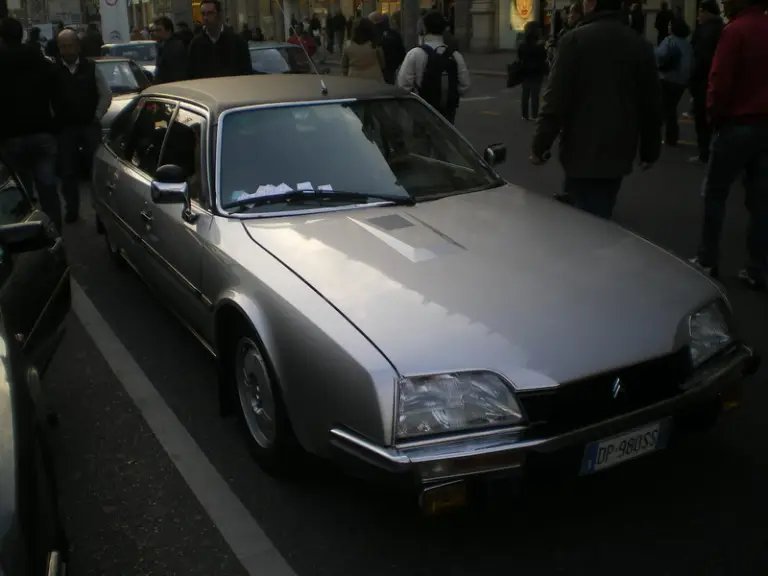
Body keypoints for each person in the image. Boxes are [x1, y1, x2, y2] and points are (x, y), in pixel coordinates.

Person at [530, 0, 662, 219]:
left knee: (582, 220)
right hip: (618, 149)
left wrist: (540, 145)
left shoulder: (574, 41)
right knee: (600, 209)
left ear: (590, 4)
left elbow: (555, 100)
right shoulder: (640, 45)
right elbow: (651, 105)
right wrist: (650, 150)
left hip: (579, 148)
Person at [691, 0, 768, 290]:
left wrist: (714, 117)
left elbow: (719, 79)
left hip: (737, 124)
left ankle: (708, 257)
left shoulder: (735, 31)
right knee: (762, 201)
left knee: (715, 193)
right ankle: (758, 267)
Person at [0, 18, 61, 230]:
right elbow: (56, 90)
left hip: (11, 135)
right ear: (22, 35)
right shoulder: (40, 60)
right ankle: (55, 231)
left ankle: (25, 232)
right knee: (48, 187)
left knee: (20, 192)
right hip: (42, 131)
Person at [51, 29, 112, 224]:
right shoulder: (54, 71)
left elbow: (105, 94)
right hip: (65, 128)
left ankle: (100, 210)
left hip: (89, 126)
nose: (66, 51)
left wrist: (97, 115)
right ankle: (72, 209)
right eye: (62, 47)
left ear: (78, 47)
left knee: (95, 169)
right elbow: (48, 100)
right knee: (67, 171)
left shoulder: (91, 68)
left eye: (69, 46)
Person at [397, 10, 470, 123]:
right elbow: (464, 86)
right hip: (448, 111)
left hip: (422, 108)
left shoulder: (415, 53)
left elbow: (403, 85)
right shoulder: (455, 55)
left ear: (424, 29)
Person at [688, 0, 723, 164]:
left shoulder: (707, 32)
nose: (698, 15)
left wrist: (692, 76)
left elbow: (701, 59)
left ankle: (705, 153)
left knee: (703, 120)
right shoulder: (720, 28)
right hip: (712, 80)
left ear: (708, 12)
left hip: (704, 81)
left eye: (701, 11)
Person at [187, 0, 252, 79]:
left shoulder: (237, 42)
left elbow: (246, 73)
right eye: (203, 14)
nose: (206, 18)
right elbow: (191, 74)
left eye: (210, 13)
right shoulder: (196, 44)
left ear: (219, 14)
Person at [656, 17, 693, 147]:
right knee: (671, 109)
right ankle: (672, 137)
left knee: (663, 108)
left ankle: (659, 135)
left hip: (667, 77)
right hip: (681, 81)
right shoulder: (687, 43)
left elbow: (660, 56)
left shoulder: (669, 41)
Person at [517, 22, 549, 121]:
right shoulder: (539, 45)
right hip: (537, 72)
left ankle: (524, 114)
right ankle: (534, 115)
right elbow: (544, 57)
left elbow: (520, 57)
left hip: (526, 71)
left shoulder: (522, 44)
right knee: (535, 94)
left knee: (525, 93)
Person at [152, 16, 187, 83]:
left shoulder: (175, 47)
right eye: (154, 31)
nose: (156, 33)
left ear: (168, 30)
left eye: (159, 30)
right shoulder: (161, 46)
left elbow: (176, 73)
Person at [374, 12, 405, 84]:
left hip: (377, 68)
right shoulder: (394, 34)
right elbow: (401, 52)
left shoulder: (372, 34)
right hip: (391, 66)